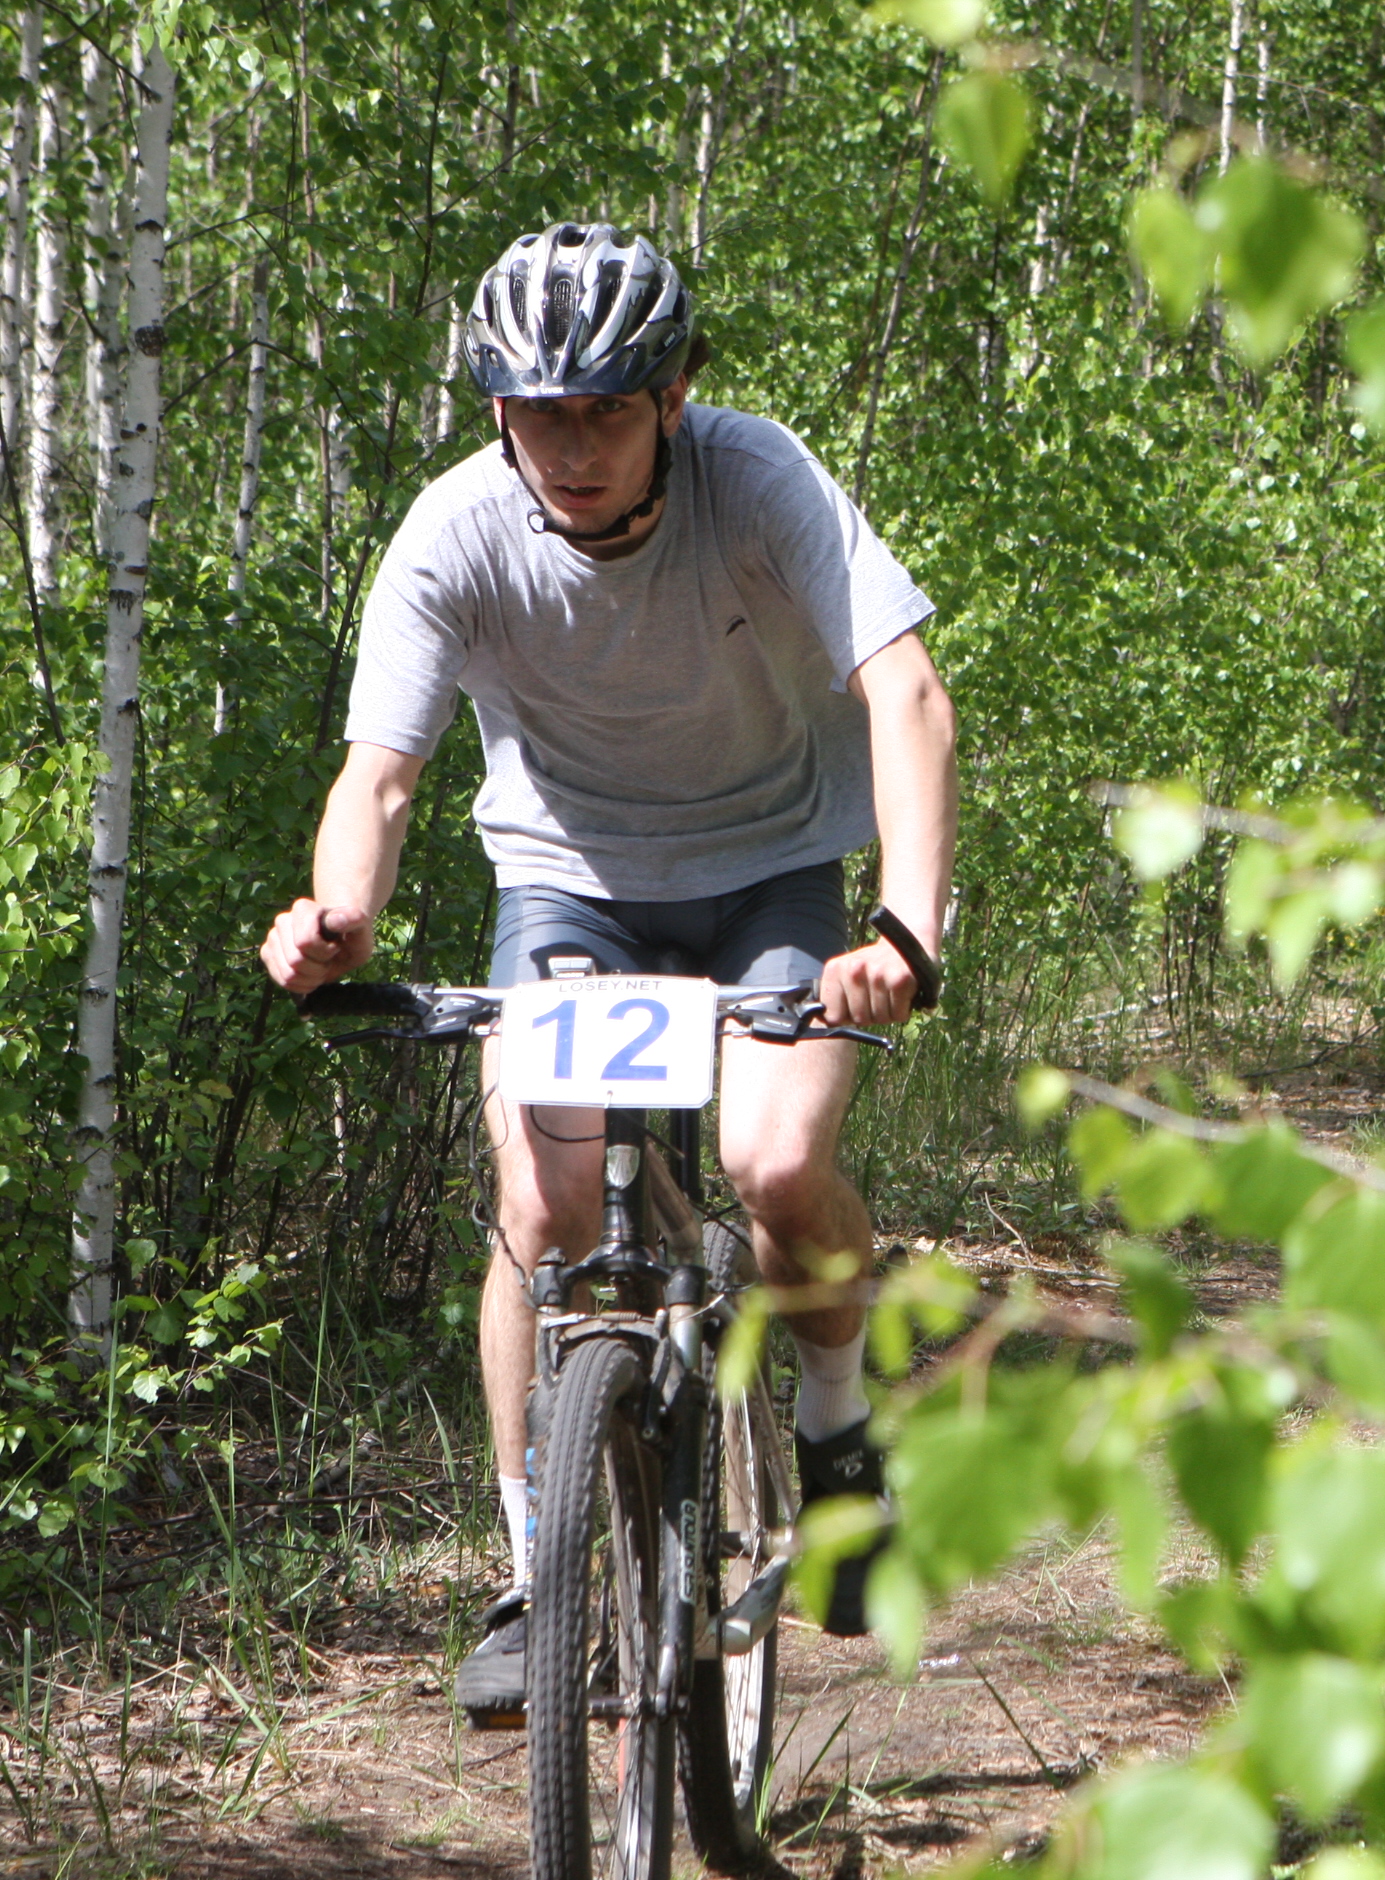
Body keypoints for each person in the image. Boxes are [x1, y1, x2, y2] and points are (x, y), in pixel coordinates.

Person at [257, 222, 955, 1721]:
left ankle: (838, 1427)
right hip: (569, 882)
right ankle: (533, 1571)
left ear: (673, 398)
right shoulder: (455, 531)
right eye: (538, 412)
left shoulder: (757, 481)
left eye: (606, 411)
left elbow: (904, 690)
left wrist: (905, 930)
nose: (570, 448)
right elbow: (380, 775)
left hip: (769, 864)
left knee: (777, 1164)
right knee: (544, 1205)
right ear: (496, 410)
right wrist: (338, 916)